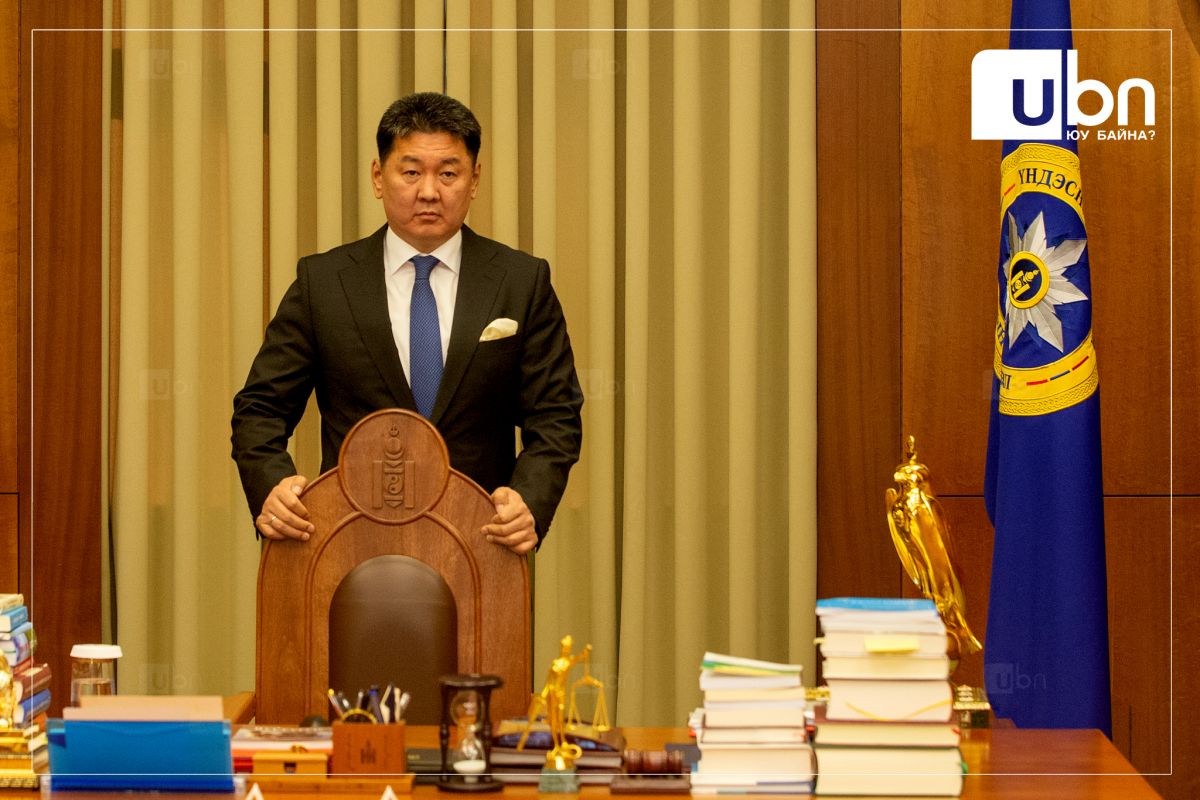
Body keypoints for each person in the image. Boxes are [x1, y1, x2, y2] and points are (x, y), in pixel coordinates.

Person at [231, 92, 583, 555]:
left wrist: (529, 502)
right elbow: (260, 409)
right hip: (349, 541)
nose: (429, 192)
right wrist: (272, 487)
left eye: (448, 173)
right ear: (379, 177)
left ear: (475, 180)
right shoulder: (324, 282)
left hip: (481, 542)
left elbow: (555, 414)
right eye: (411, 172)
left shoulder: (521, 281)